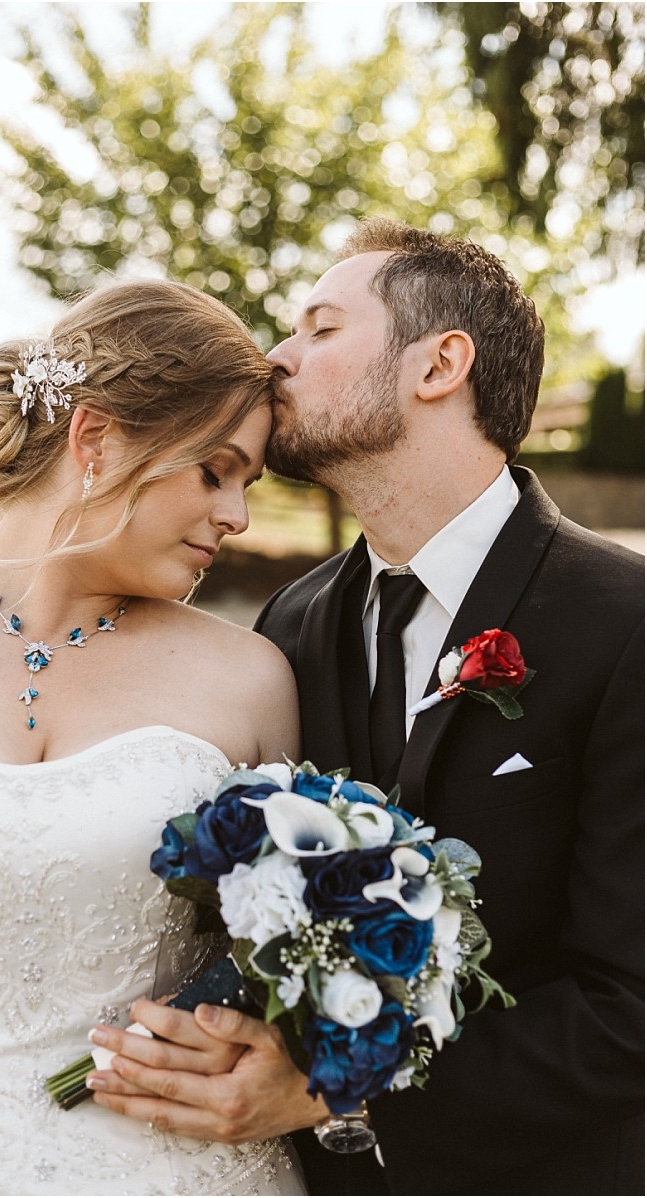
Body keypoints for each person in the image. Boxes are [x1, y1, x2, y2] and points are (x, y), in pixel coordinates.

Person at [83, 219, 644, 1197]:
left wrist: (331, 1091)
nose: (274, 358)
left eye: (317, 326)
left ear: (438, 364)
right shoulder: (290, 623)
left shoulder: (624, 624)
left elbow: (627, 1007)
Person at [0, 279, 309, 1196]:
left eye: (249, 484)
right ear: (94, 438)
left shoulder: (251, 679)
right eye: (214, 471)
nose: (239, 516)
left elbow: (289, 953)